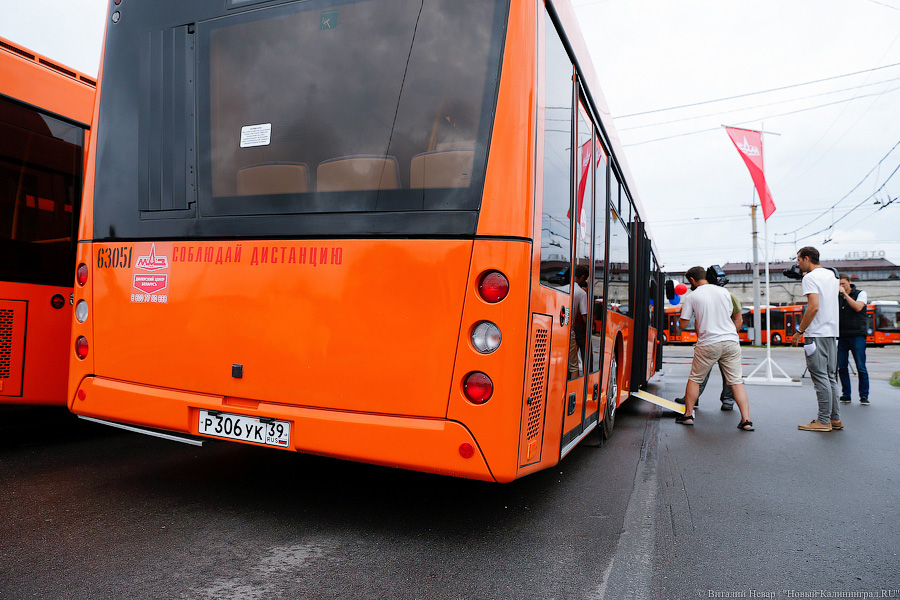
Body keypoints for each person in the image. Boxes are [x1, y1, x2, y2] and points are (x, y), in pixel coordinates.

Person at [675, 266, 753, 431]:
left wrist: (686, 313)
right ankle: (746, 420)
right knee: (736, 381)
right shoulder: (725, 292)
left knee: (695, 378)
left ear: (691, 280)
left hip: (708, 342)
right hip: (731, 341)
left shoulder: (692, 296)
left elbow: (682, 325)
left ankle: (688, 416)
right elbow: (731, 316)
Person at [791, 247, 841, 432]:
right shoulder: (832, 277)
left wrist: (799, 332)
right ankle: (835, 419)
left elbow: (813, 307)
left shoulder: (810, 278)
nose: (797, 264)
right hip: (832, 333)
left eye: (799, 260)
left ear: (807, 258)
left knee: (820, 378)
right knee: (830, 377)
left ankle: (823, 421)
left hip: (816, 333)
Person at [675, 292, 741, 411]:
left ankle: (726, 400)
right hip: (719, 340)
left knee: (701, 375)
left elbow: (738, 319)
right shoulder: (708, 296)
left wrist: (730, 336)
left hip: (717, 340)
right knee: (730, 376)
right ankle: (695, 398)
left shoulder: (728, 296)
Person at [837, 273, 869, 405]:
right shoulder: (836, 297)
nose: (841, 286)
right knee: (842, 367)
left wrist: (845, 294)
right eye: (839, 284)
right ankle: (846, 394)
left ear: (849, 282)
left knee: (861, 367)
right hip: (842, 335)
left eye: (843, 283)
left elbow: (858, 307)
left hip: (857, 335)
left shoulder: (861, 293)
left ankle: (864, 396)